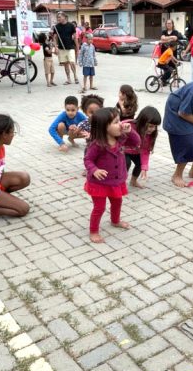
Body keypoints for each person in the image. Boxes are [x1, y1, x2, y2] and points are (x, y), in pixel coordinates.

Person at [84, 107, 141, 243]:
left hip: (116, 182)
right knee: (100, 208)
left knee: (117, 202)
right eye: (116, 122)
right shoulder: (97, 144)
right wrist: (94, 170)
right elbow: (88, 159)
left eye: (119, 120)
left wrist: (130, 131)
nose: (120, 124)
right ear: (104, 127)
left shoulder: (121, 138)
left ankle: (115, 221)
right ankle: (93, 231)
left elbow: (136, 142)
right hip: (99, 183)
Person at [125, 105, 161, 188]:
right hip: (122, 150)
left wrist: (144, 167)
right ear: (142, 122)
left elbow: (145, 151)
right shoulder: (129, 125)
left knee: (140, 163)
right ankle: (120, 183)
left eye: (155, 126)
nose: (153, 129)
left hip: (136, 151)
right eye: (150, 126)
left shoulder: (150, 135)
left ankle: (133, 181)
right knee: (126, 163)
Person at [52, 12, 79, 84]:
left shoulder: (71, 26)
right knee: (65, 64)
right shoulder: (56, 27)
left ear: (64, 17)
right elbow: (54, 38)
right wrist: (56, 47)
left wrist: (77, 48)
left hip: (70, 47)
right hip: (61, 48)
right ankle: (68, 79)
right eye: (57, 17)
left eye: (60, 17)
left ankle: (75, 77)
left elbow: (75, 37)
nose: (58, 19)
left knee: (72, 62)